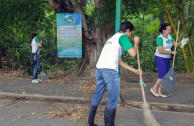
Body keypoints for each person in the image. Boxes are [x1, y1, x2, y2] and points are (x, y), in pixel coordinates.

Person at [88, 21, 142, 126]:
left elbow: (119, 61)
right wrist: (136, 42)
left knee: (97, 96)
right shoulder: (123, 37)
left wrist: (134, 70)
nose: (131, 35)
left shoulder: (112, 39)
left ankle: (90, 123)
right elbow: (133, 54)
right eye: (131, 33)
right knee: (113, 99)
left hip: (100, 69)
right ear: (127, 30)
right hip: (110, 71)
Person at [150, 23, 188, 97]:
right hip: (160, 57)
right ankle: (154, 88)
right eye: (169, 30)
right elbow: (160, 50)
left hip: (167, 58)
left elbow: (175, 44)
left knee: (166, 75)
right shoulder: (160, 38)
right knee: (162, 74)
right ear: (163, 30)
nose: (170, 31)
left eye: (170, 29)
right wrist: (171, 52)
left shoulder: (170, 37)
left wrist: (182, 41)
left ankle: (159, 91)